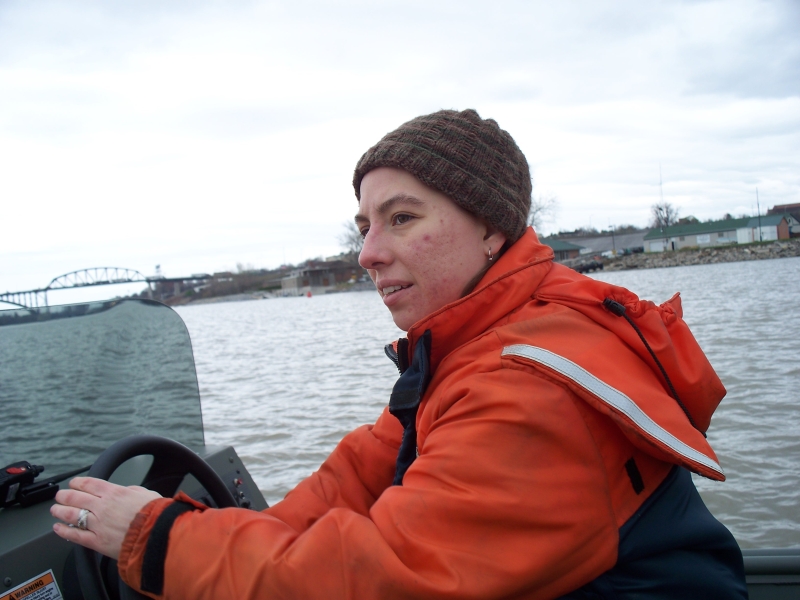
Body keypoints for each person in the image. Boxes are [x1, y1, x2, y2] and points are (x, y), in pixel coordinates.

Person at [52, 109, 748, 598]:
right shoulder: (478, 344)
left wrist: (160, 538)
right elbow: (363, 470)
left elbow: (382, 578)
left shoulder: (529, 387)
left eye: (402, 218)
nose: (367, 253)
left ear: (493, 230)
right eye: (364, 225)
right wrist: (229, 534)